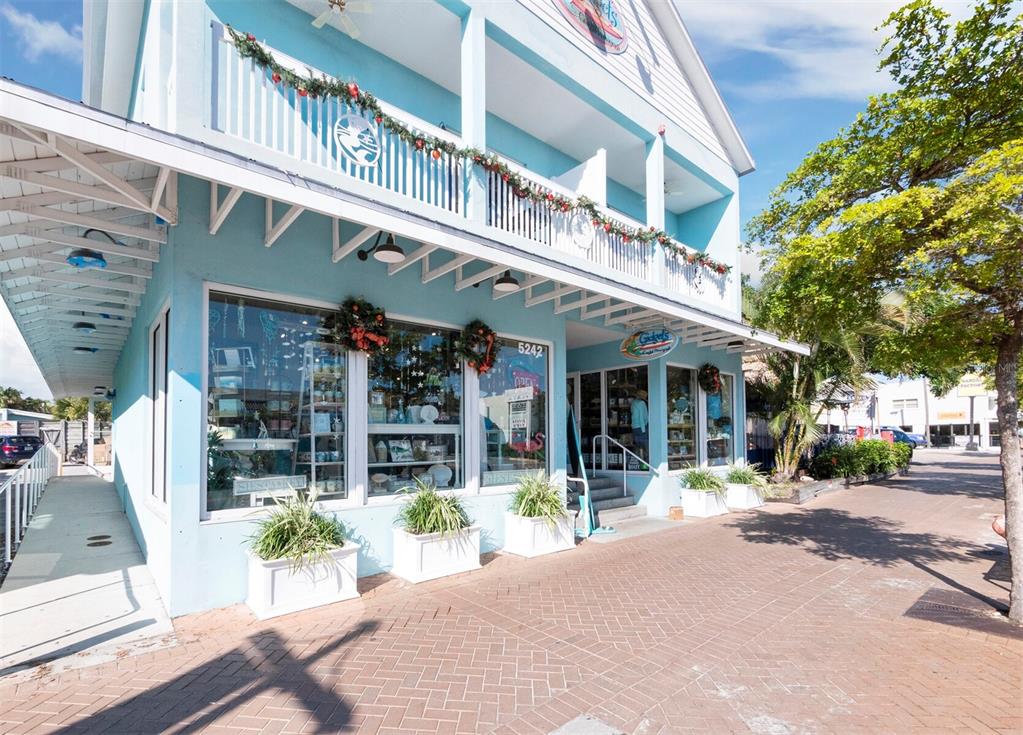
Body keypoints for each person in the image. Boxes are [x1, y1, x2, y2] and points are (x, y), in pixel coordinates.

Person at [630, 390, 649, 460]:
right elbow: (642, 416)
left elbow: (632, 413)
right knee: (645, 446)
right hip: (642, 427)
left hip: (634, 427)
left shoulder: (633, 403)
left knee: (638, 445)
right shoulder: (642, 403)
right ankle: (645, 462)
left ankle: (638, 460)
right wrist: (643, 429)